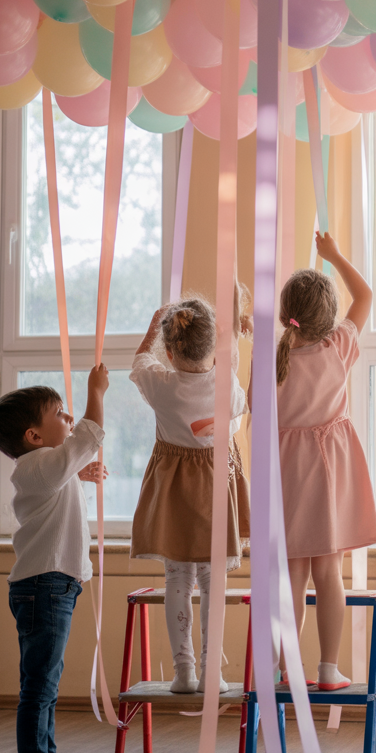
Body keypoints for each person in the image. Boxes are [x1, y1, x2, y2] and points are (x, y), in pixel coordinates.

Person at [0, 367, 109, 753]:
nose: (70, 417)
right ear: (34, 437)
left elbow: (64, 471)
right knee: (39, 683)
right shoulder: (39, 466)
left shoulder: (40, 469)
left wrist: (80, 477)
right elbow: (89, 435)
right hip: (45, 586)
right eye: (60, 412)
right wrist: (97, 391)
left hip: (51, 586)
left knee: (46, 681)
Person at [130, 284, 250, 694]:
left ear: (170, 349)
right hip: (217, 487)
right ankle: (210, 671)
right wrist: (233, 318)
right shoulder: (226, 384)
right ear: (214, 347)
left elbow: (138, 361)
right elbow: (235, 383)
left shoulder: (161, 386)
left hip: (174, 491)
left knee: (177, 578)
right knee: (214, 580)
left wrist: (152, 328)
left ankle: (184, 672)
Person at [276, 232, 376, 691]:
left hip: (287, 472)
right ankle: (328, 669)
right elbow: (366, 295)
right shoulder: (338, 347)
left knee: (294, 575)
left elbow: (258, 410)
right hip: (329, 469)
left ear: (286, 314)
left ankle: (286, 669)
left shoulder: (271, 359)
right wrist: (334, 254)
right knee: (328, 571)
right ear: (328, 318)